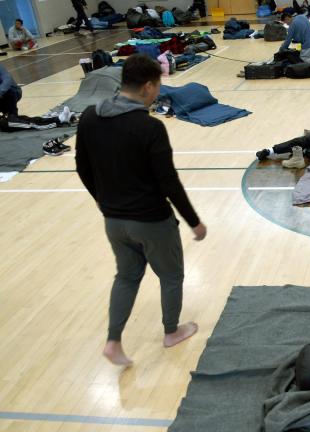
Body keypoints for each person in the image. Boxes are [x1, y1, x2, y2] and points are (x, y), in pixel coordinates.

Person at [75, 54, 206, 367]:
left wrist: (101, 198)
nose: (159, 92)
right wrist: (194, 222)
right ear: (148, 87)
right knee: (171, 275)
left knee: (126, 277)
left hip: (114, 221)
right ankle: (171, 332)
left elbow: (82, 166)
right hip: (151, 221)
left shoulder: (91, 116)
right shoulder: (149, 127)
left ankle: (113, 341)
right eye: (158, 86)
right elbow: (168, 182)